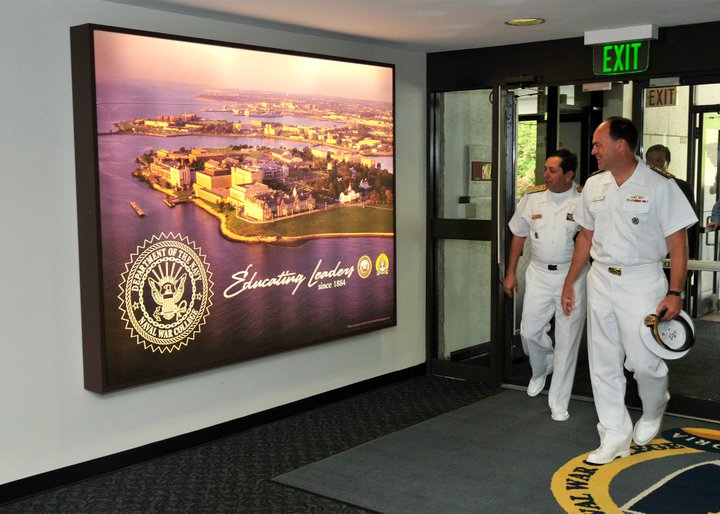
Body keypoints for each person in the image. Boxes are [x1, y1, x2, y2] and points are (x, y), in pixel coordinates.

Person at [561, 117, 697, 465]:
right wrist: (570, 281)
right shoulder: (594, 186)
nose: (593, 151)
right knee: (603, 362)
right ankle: (613, 434)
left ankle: (654, 407)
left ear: (621, 145)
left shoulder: (659, 186)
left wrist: (676, 292)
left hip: (642, 280)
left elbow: (678, 244)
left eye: (597, 144)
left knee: (643, 362)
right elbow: (585, 238)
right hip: (601, 278)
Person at [504, 148, 587, 422]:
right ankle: (541, 367)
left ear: (569, 174)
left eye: (552, 170)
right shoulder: (533, 197)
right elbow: (518, 235)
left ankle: (558, 401)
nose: (546, 175)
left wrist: (571, 280)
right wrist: (511, 272)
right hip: (538, 273)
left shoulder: (583, 199)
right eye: (546, 169)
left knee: (567, 340)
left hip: (572, 276)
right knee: (529, 332)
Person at [645, 144, 699, 258]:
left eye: (659, 160)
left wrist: (690, 257)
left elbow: (691, 226)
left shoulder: (681, 187)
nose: (653, 164)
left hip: (673, 253)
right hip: (645, 253)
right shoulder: (637, 186)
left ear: (667, 163)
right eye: (649, 160)